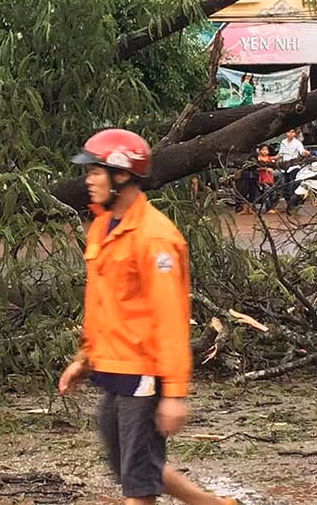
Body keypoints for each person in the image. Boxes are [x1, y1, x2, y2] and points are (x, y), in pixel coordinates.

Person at [58, 128, 238, 505]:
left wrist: (174, 393)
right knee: (134, 467)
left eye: (95, 172)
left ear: (122, 175)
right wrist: (84, 359)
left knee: (138, 484)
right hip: (112, 367)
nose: (88, 180)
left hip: (143, 373)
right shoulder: (103, 227)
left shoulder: (155, 238)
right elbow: (101, 304)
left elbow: (171, 319)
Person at [277, 128, 310, 205]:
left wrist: (305, 152)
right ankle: (288, 201)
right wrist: (271, 158)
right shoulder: (283, 142)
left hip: (294, 167)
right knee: (284, 185)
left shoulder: (297, 143)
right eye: (288, 132)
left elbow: (301, 151)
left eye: (292, 132)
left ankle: (294, 203)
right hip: (285, 167)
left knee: (293, 185)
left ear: (295, 134)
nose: (290, 134)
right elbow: (280, 154)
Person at [256, 144, 278, 213]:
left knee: (273, 193)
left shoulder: (270, 159)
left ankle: (272, 207)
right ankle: (269, 208)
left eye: (266, 149)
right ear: (260, 151)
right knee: (266, 193)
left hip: (270, 178)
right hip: (262, 178)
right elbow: (256, 168)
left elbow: (274, 167)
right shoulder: (258, 159)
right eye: (263, 149)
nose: (264, 151)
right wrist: (264, 169)